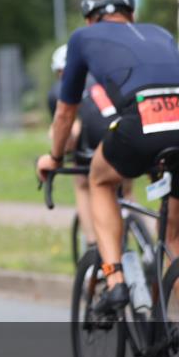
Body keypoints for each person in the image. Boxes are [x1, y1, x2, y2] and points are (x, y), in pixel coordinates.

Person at [36, 0, 179, 335]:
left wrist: (54, 158)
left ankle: (114, 280)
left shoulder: (82, 39)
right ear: (132, 15)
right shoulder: (160, 34)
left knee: (100, 181)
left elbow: (65, 113)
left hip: (141, 121)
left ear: (89, 19)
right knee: (176, 237)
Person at [47, 44, 126, 258]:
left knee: (83, 184)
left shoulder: (62, 88)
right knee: (126, 190)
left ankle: (93, 245)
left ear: (61, 71)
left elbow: (71, 130)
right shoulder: (103, 79)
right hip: (126, 136)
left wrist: (58, 153)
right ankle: (144, 241)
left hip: (96, 144)